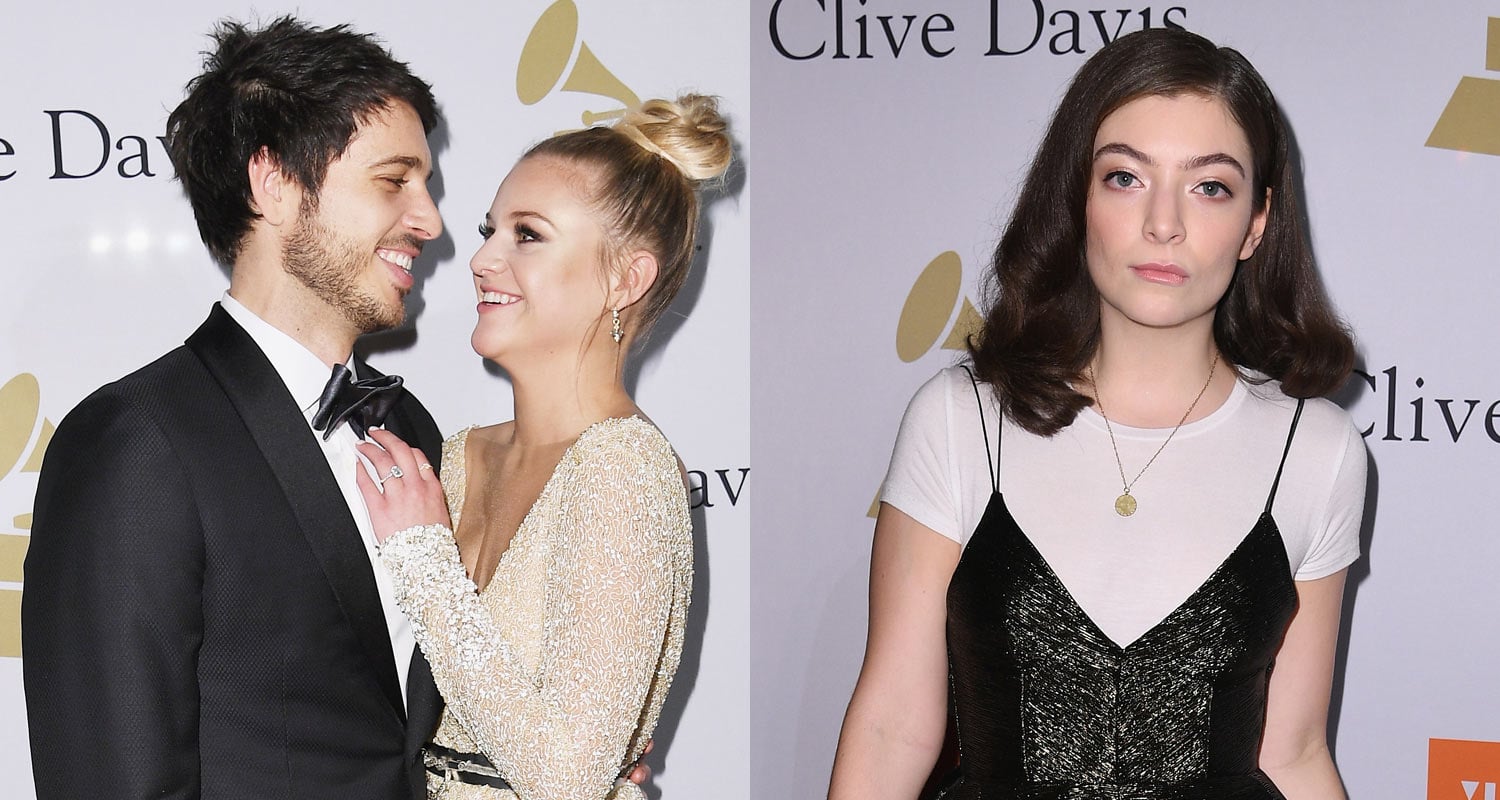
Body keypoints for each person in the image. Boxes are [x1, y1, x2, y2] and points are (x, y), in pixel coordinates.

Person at [829, 27, 1364, 800]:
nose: (1163, 223)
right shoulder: (961, 422)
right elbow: (891, 729)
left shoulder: (1315, 450)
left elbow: (1296, 751)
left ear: (1257, 222)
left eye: (1210, 186)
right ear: (1077, 198)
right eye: (1125, 177)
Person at [22, 17, 449, 798]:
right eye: (394, 181)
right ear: (275, 183)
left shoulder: (407, 424)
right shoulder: (139, 440)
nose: (430, 221)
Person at [353, 94, 731, 799]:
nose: (481, 258)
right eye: (488, 230)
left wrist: (423, 559)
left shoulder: (623, 468)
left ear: (625, 279)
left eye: (526, 234)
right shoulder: (455, 456)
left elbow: (565, 776)